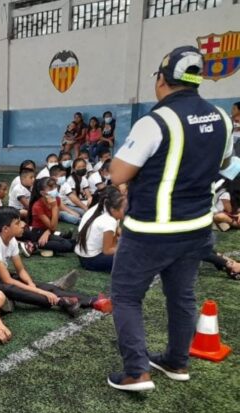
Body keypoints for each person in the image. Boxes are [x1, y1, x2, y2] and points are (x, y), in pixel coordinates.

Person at [106, 46, 234, 392]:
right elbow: (223, 163)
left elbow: (118, 173)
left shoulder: (156, 121)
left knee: (126, 296)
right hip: (197, 227)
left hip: (151, 229)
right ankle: (177, 361)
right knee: (182, 296)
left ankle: (136, 371)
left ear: (162, 80)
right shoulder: (222, 118)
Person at [0, 208, 99, 318]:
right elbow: (7, 281)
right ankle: (61, 302)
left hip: (2, 277)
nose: (23, 225)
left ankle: (88, 300)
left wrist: (31, 284)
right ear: (5, 229)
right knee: (19, 290)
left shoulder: (12, 241)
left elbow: (21, 270)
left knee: (42, 287)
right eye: (17, 223)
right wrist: (39, 292)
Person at [75, 187, 126, 272]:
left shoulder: (104, 210)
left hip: (84, 255)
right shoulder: (109, 221)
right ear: (113, 209)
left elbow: (116, 235)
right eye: (124, 209)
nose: (127, 211)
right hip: (90, 260)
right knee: (130, 257)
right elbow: (107, 251)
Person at [25, 177, 76, 254]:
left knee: (74, 242)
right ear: (43, 193)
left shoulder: (57, 199)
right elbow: (53, 227)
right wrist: (54, 207)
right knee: (66, 245)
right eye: (51, 189)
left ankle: (57, 241)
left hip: (48, 230)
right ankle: (35, 245)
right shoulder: (37, 206)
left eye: (55, 187)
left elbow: (54, 224)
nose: (55, 190)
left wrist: (48, 232)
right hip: (38, 233)